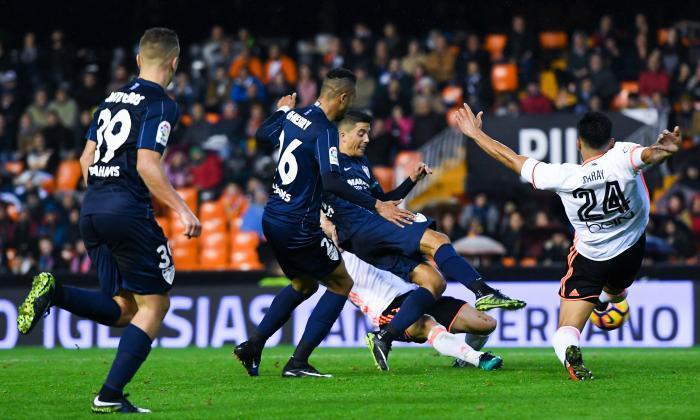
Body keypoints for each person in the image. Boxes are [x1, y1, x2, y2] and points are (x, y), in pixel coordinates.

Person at [16, 28, 200, 412]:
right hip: (125, 211)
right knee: (156, 306)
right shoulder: (161, 103)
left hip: (92, 208)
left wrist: (104, 192)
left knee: (125, 309)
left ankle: (57, 292)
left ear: (137, 60)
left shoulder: (108, 102)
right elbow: (147, 164)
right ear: (174, 62)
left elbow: (85, 160)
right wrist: (183, 208)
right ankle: (110, 395)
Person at [454, 104, 681, 381]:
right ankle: (611, 298)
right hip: (631, 250)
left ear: (577, 143)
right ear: (611, 142)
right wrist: (663, 150)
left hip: (590, 258)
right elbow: (646, 155)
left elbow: (511, 158)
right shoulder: (621, 155)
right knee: (616, 288)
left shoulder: (562, 176)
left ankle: (573, 350)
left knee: (565, 330)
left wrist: (476, 135)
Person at [233, 68, 412, 378]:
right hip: (299, 224)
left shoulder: (294, 115)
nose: (349, 105)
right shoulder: (326, 130)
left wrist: (281, 112)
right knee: (342, 283)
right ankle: (298, 362)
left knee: (303, 285)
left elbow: (261, 138)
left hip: (273, 217)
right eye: (351, 99)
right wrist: (376, 204)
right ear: (343, 97)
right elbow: (330, 181)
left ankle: (253, 347)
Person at [324, 110, 525, 371]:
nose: (367, 139)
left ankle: (385, 338)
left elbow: (385, 201)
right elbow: (314, 196)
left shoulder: (361, 165)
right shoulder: (329, 165)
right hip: (361, 229)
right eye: (361, 133)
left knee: (435, 282)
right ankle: (482, 291)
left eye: (368, 133)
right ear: (342, 134)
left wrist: (410, 181)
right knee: (437, 238)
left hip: (375, 235)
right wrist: (323, 221)